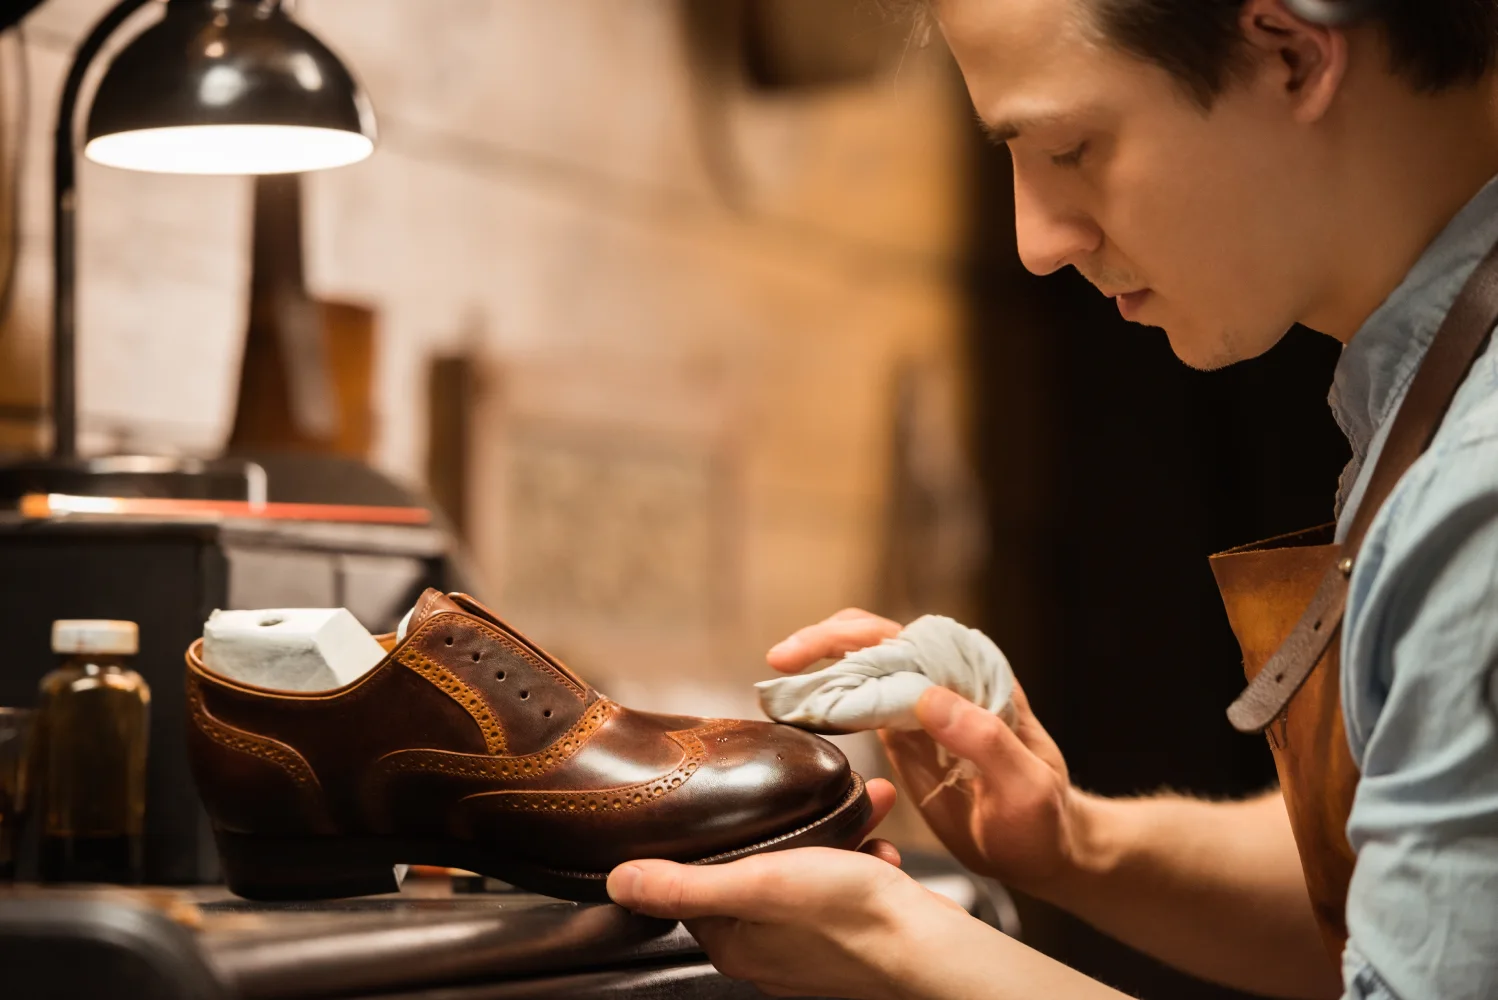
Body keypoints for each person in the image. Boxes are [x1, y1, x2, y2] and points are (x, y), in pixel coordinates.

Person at [604, 1, 1498, 997]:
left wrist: (900, 949)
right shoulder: (1429, 395)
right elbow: (1415, 903)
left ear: (1289, 57)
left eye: (1070, 145)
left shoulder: (1479, 487)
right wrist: (1074, 844)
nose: (1037, 239)